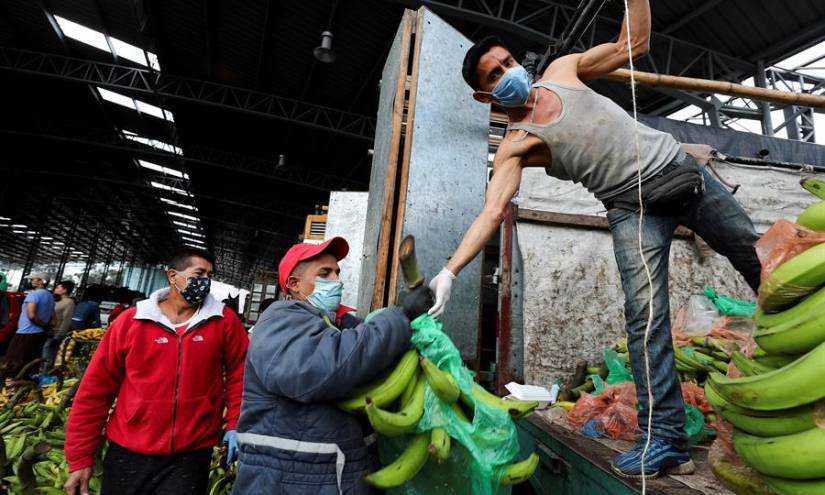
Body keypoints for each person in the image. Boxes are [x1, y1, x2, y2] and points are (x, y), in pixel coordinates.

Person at [429, 0, 761, 478]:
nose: (507, 73)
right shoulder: (516, 145)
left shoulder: (564, 70)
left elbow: (634, 43)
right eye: (493, 75)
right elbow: (492, 211)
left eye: (508, 63)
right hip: (631, 208)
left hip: (680, 173)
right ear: (485, 97)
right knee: (645, 319)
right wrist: (449, 270)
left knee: (756, 259)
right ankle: (665, 438)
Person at [232, 237, 433, 494]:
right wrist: (400, 316)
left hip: (325, 475)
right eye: (324, 273)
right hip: (288, 480)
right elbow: (324, 368)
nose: (336, 280)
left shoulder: (332, 324)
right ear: (293, 284)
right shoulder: (279, 321)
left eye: (337, 272)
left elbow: (358, 358)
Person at [64, 248, 249, 495]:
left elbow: (241, 375)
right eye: (199, 273)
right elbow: (96, 389)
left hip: (191, 454)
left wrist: (235, 423)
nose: (205, 282)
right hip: (128, 450)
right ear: (173, 276)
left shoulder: (224, 321)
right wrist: (80, 457)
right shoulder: (131, 322)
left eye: (209, 275)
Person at [4, 273, 55, 376]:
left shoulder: (33, 294)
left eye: (35, 279)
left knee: (13, 363)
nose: (32, 281)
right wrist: (45, 326)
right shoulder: (50, 296)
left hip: (26, 333)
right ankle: (27, 385)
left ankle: (11, 386)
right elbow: (54, 318)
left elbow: (31, 315)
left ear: (42, 281)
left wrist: (42, 324)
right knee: (30, 363)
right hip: (40, 334)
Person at [39, 280, 76, 379]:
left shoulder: (69, 302)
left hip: (55, 334)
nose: (55, 289)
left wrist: (59, 336)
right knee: (43, 355)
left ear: (64, 290)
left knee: (47, 357)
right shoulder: (57, 300)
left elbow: (66, 320)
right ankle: (41, 375)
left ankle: (44, 377)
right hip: (48, 332)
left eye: (58, 287)